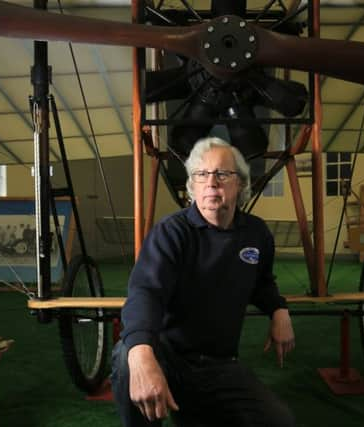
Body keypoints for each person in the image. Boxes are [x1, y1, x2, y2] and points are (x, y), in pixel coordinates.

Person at [111, 137, 296, 427]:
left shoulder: (256, 233)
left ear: (240, 184)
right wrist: (142, 355)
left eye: (222, 174)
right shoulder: (171, 232)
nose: (211, 182)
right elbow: (145, 292)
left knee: (280, 422)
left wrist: (278, 309)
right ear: (192, 186)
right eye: (201, 174)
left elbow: (261, 282)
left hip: (220, 365)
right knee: (127, 355)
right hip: (169, 358)